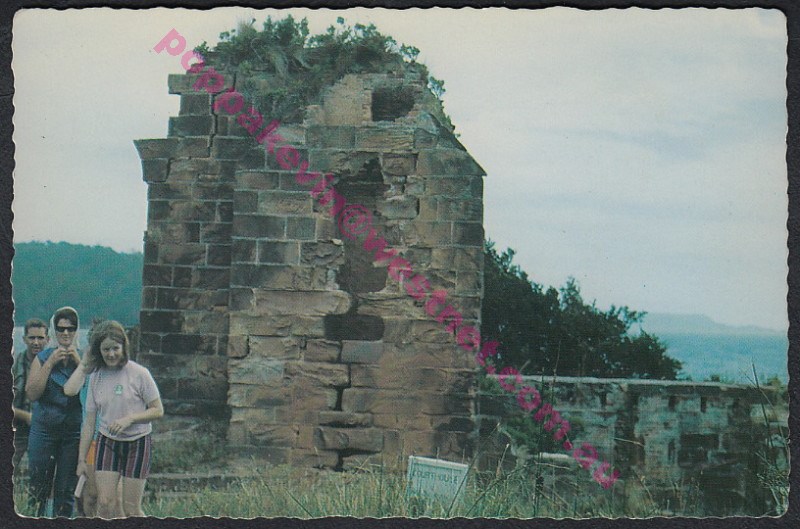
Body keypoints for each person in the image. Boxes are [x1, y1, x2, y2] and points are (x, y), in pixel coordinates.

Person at [66, 320, 163, 518]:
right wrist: (81, 459)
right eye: (106, 349)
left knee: (131, 508)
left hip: (137, 442)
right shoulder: (96, 376)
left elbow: (157, 410)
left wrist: (131, 419)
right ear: (98, 351)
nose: (111, 354)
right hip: (107, 441)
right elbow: (89, 423)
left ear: (123, 347)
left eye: (115, 348)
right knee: (104, 502)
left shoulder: (139, 373)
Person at [25, 307, 83, 517]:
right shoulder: (42, 357)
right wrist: (50, 363)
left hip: (72, 432)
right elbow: (32, 393)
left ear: (76, 331)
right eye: (60, 329)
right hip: (44, 430)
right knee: (38, 484)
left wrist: (80, 363)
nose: (65, 333)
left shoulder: (85, 358)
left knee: (66, 488)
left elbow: (93, 393)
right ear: (54, 331)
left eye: (71, 328)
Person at [12, 319, 49, 473]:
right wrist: (26, 416)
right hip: (17, 427)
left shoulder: (53, 364)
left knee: (43, 472)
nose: (36, 342)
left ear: (48, 340)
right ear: (24, 339)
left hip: (45, 429)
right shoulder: (14, 366)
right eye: (32, 338)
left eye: (40, 338)